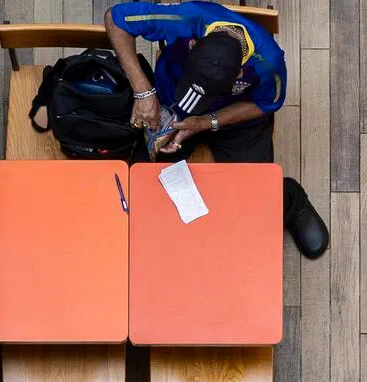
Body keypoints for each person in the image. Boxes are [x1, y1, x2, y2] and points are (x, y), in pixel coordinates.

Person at [104, 1, 328, 259]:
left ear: (239, 74)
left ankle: (291, 200)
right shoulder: (186, 18)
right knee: (146, 191)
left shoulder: (269, 63)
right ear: (193, 44)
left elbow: (265, 105)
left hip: (234, 122)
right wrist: (143, 91)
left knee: (256, 197)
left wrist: (206, 122)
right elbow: (115, 19)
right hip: (172, 106)